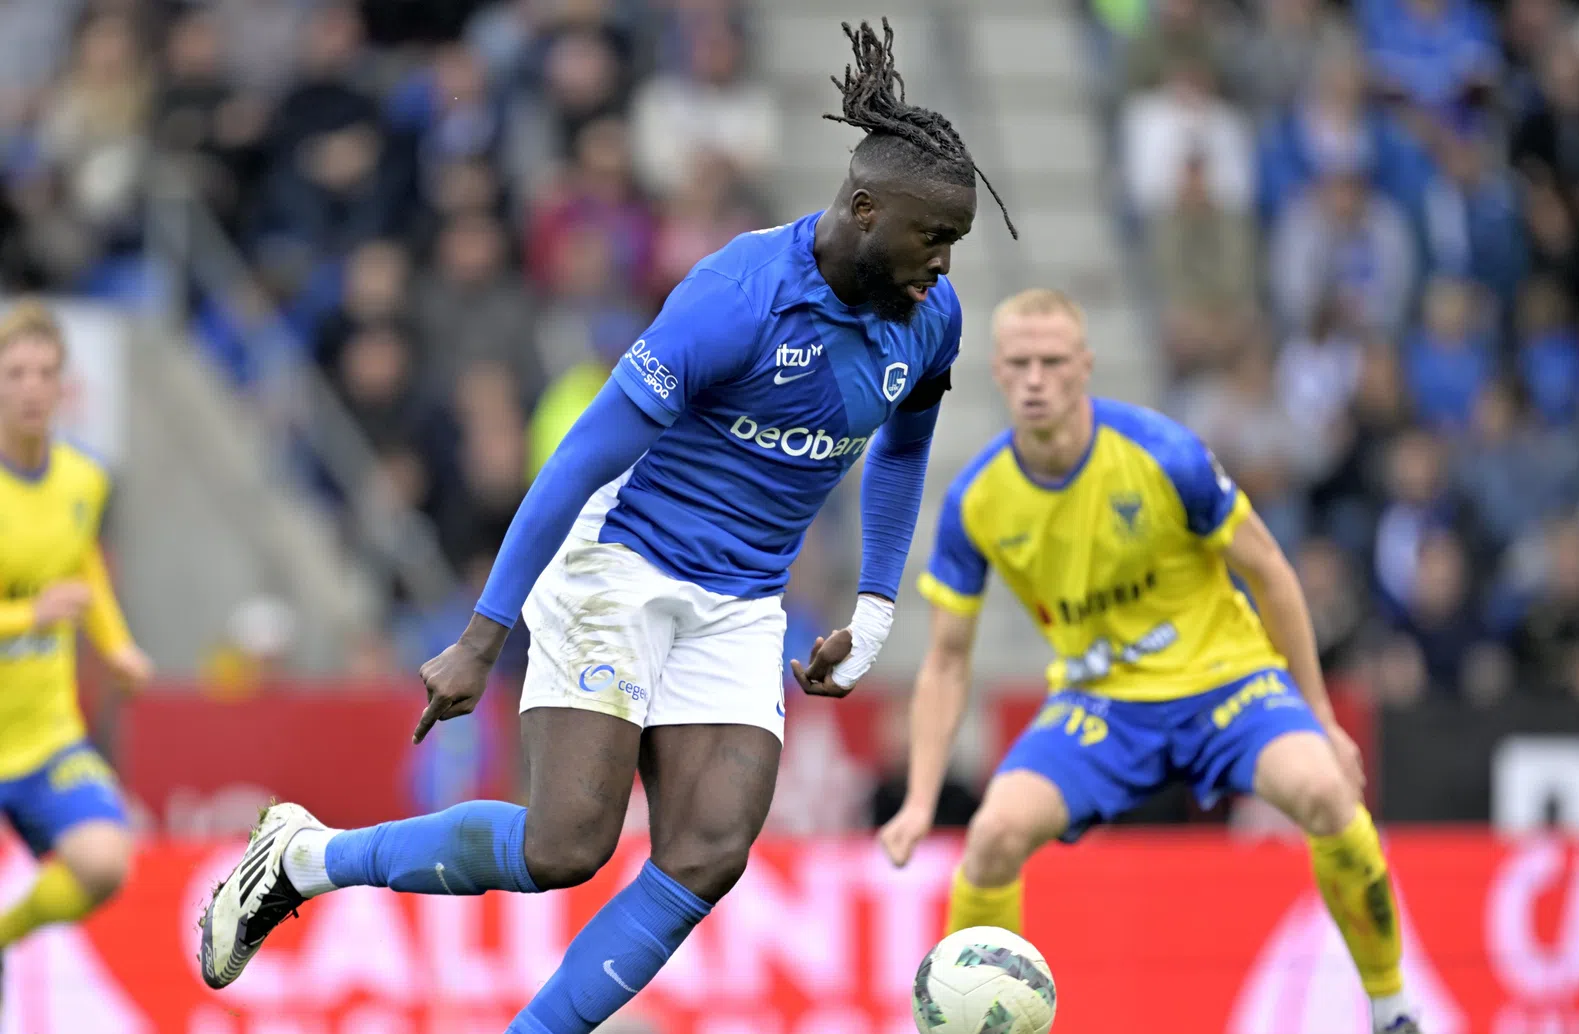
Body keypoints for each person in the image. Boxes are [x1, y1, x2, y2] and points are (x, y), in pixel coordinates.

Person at [198, 20, 1015, 1034]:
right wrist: (483, 631)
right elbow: (582, 455)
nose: (943, 264)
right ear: (862, 208)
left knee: (709, 850)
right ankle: (305, 857)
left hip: (743, 595)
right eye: (933, 237)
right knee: (566, 846)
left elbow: (901, 444)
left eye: (955, 244)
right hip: (622, 559)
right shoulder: (735, 297)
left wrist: (879, 604)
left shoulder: (927, 318)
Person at [879, 288, 1424, 1034]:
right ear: (998, 374)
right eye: (1020, 364)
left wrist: (1321, 717)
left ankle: (1393, 1007)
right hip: (1101, 704)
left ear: (1085, 369)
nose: (1037, 378)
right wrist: (918, 800)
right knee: (993, 835)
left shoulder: (1161, 454)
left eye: (1053, 361)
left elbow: (1270, 572)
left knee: (1328, 794)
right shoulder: (978, 500)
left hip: (1225, 684)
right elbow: (945, 662)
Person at [0, 301, 153, 990]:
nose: (32, 387)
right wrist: (31, 613)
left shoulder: (83, 480)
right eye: (16, 373)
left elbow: (80, 563)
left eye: (45, 373)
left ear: (65, 387)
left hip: (46, 736)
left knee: (104, 862)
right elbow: (51, 597)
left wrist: (116, 645)